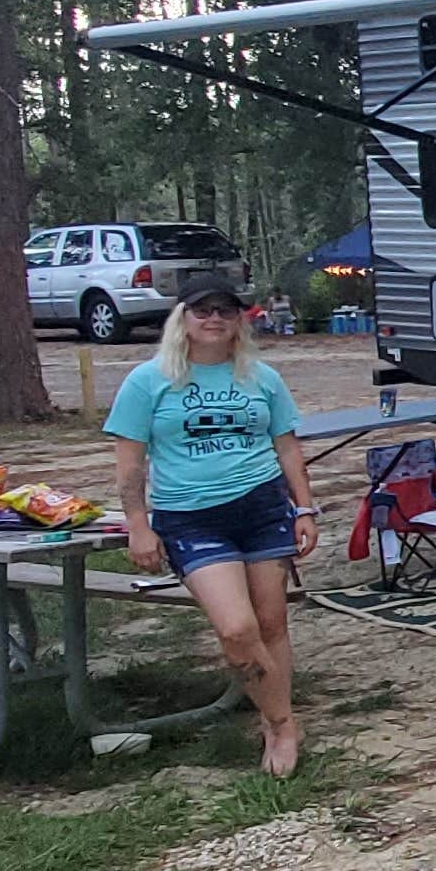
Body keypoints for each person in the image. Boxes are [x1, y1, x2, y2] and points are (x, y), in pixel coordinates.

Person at [105, 272, 315, 774]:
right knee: (237, 628)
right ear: (182, 318)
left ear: (240, 320)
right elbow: (130, 464)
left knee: (271, 623)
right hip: (190, 518)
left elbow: (287, 447)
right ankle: (284, 721)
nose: (214, 319)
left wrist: (305, 508)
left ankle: (273, 724)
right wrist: (138, 524)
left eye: (225, 310)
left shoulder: (261, 377)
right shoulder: (148, 381)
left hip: (263, 509)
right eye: (202, 310)